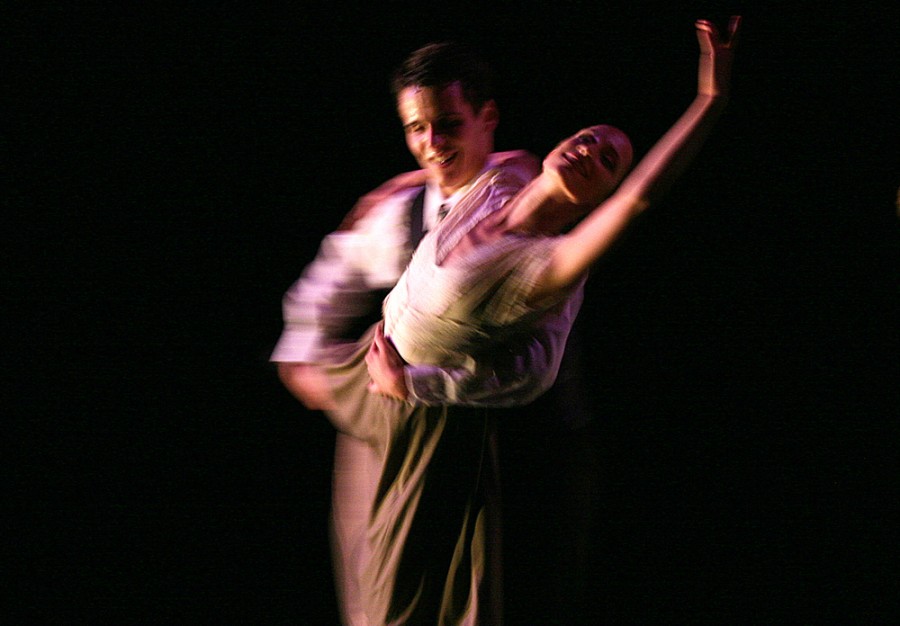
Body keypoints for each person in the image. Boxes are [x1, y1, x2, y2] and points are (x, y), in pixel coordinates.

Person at [281, 16, 741, 625]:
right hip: (365, 367)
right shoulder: (506, 175)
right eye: (585, 137)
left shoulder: (552, 265)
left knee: (408, 603)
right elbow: (457, 159)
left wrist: (710, 99)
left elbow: (641, 198)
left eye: (606, 161)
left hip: (418, 401)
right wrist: (413, 176)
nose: (586, 151)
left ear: (605, 196)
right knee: (361, 569)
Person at [273, 42, 585, 625]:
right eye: (416, 128)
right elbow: (323, 287)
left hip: (500, 437)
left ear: (486, 119)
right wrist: (307, 364)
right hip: (399, 428)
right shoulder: (400, 207)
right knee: (389, 593)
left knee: (493, 596)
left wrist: (418, 383)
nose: (432, 144)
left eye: (447, 125)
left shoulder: (533, 209)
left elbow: (534, 367)